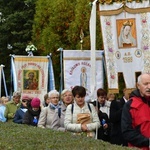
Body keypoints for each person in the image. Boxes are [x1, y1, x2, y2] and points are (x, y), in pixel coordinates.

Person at [121, 73, 150, 149]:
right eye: (146, 84)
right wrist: (148, 141)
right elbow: (127, 132)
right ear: (138, 86)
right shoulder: (130, 105)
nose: (149, 87)